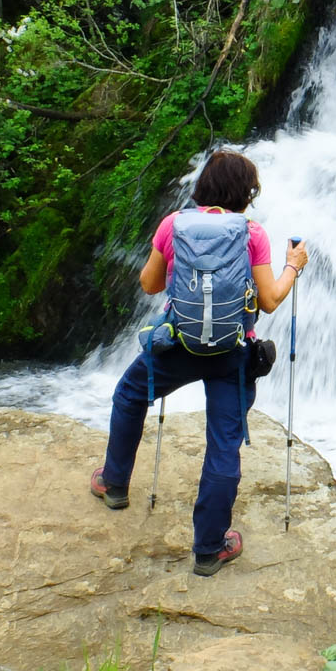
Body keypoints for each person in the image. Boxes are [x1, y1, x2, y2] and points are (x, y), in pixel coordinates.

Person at [89, 149, 308, 575]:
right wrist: (292, 266)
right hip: (232, 352)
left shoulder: (174, 224)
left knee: (130, 396)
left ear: (203, 186)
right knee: (223, 442)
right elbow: (269, 299)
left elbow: (150, 284)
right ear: (246, 194)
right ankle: (209, 549)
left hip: (178, 347)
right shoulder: (252, 233)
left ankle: (114, 484)